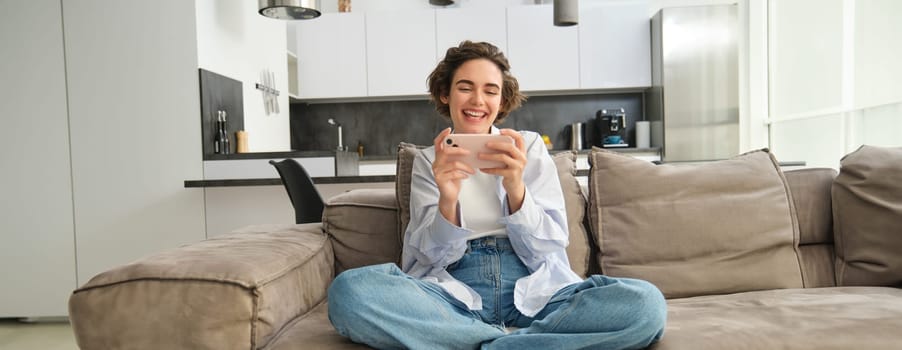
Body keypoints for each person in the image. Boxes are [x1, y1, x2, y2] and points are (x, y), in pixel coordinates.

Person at [328, 40, 666, 350]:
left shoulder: (529, 148)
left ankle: (477, 345)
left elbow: (549, 245)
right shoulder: (429, 161)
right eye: (465, 88)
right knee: (349, 293)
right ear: (445, 94)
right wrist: (448, 198)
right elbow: (429, 258)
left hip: (535, 285)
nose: (478, 100)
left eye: (490, 91)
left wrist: (516, 187)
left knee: (645, 305)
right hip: (453, 294)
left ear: (501, 101)